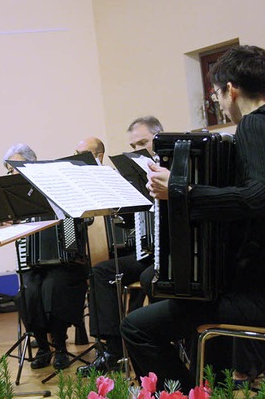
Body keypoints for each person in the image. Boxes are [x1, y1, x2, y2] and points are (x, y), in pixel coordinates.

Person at [120, 45, 265, 392]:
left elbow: (258, 197)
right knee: (181, 294)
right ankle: (215, 382)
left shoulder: (255, 127)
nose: (219, 100)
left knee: (137, 327)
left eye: (216, 93)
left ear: (229, 89)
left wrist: (181, 190)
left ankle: (191, 393)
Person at [76, 121, 163, 376]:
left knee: (150, 277)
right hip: (146, 251)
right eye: (133, 145)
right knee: (102, 272)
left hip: (168, 254)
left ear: (159, 138)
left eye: (143, 143)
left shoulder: (171, 168)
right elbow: (132, 219)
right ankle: (112, 351)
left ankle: (163, 343)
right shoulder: (135, 173)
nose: (137, 149)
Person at [5, 143, 89, 370]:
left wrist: (71, 231)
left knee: (53, 287)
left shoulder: (57, 185)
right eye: (10, 170)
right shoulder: (17, 200)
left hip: (66, 262)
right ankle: (43, 346)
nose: (13, 174)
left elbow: (79, 218)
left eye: (15, 168)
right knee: (27, 293)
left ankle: (60, 347)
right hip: (35, 263)